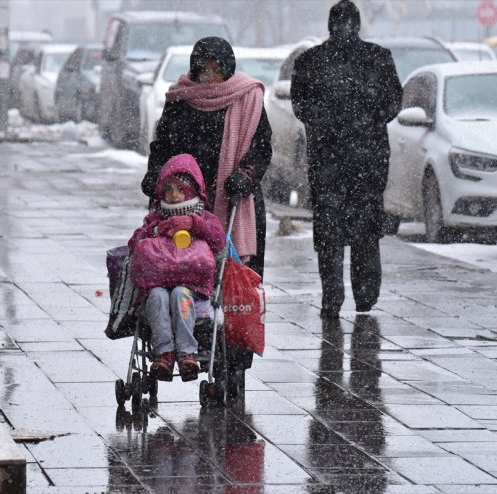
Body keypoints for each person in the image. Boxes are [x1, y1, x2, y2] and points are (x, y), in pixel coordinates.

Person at [291, 0, 402, 319]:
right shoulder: (377, 58)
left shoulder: (311, 60)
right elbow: (393, 101)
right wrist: (368, 121)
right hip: (365, 162)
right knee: (364, 233)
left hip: (330, 162)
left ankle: (333, 296)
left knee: (330, 234)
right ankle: (363, 295)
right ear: (358, 24)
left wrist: (327, 124)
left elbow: (301, 106)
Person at [142, 36, 272, 279]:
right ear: (195, 68)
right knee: (180, 263)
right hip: (184, 197)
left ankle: (234, 311)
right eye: (204, 68)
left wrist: (247, 174)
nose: (210, 75)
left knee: (235, 275)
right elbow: (162, 145)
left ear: (228, 68)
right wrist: (156, 173)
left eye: (217, 68)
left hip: (232, 195)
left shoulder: (248, 96)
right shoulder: (180, 98)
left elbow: (262, 146)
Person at [129, 153, 226, 382]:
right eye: (169, 190)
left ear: (192, 192)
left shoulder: (203, 217)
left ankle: (186, 351)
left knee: (181, 296)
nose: (174, 196)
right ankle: (164, 351)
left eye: (181, 190)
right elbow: (134, 243)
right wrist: (155, 231)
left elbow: (219, 241)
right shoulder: (155, 218)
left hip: (191, 285)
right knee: (157, 297)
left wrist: (194, 224)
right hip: (159, 282)